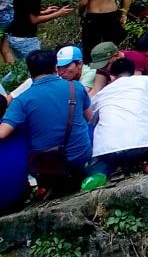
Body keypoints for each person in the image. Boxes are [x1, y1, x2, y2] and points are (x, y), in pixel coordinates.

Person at [0, 49, 94, 196]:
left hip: (48, 167)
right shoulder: (75, 87)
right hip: (80, 156)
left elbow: (2, 133)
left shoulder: (21, 101)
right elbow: (91, 119)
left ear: (30, 71)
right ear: (55, 67)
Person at [88, 56, 148, 177]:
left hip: (108, 153)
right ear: (132, 72)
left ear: (112, 76)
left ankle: (120, 167)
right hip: (144, 147)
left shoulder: (102, 93)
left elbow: (91, 119)